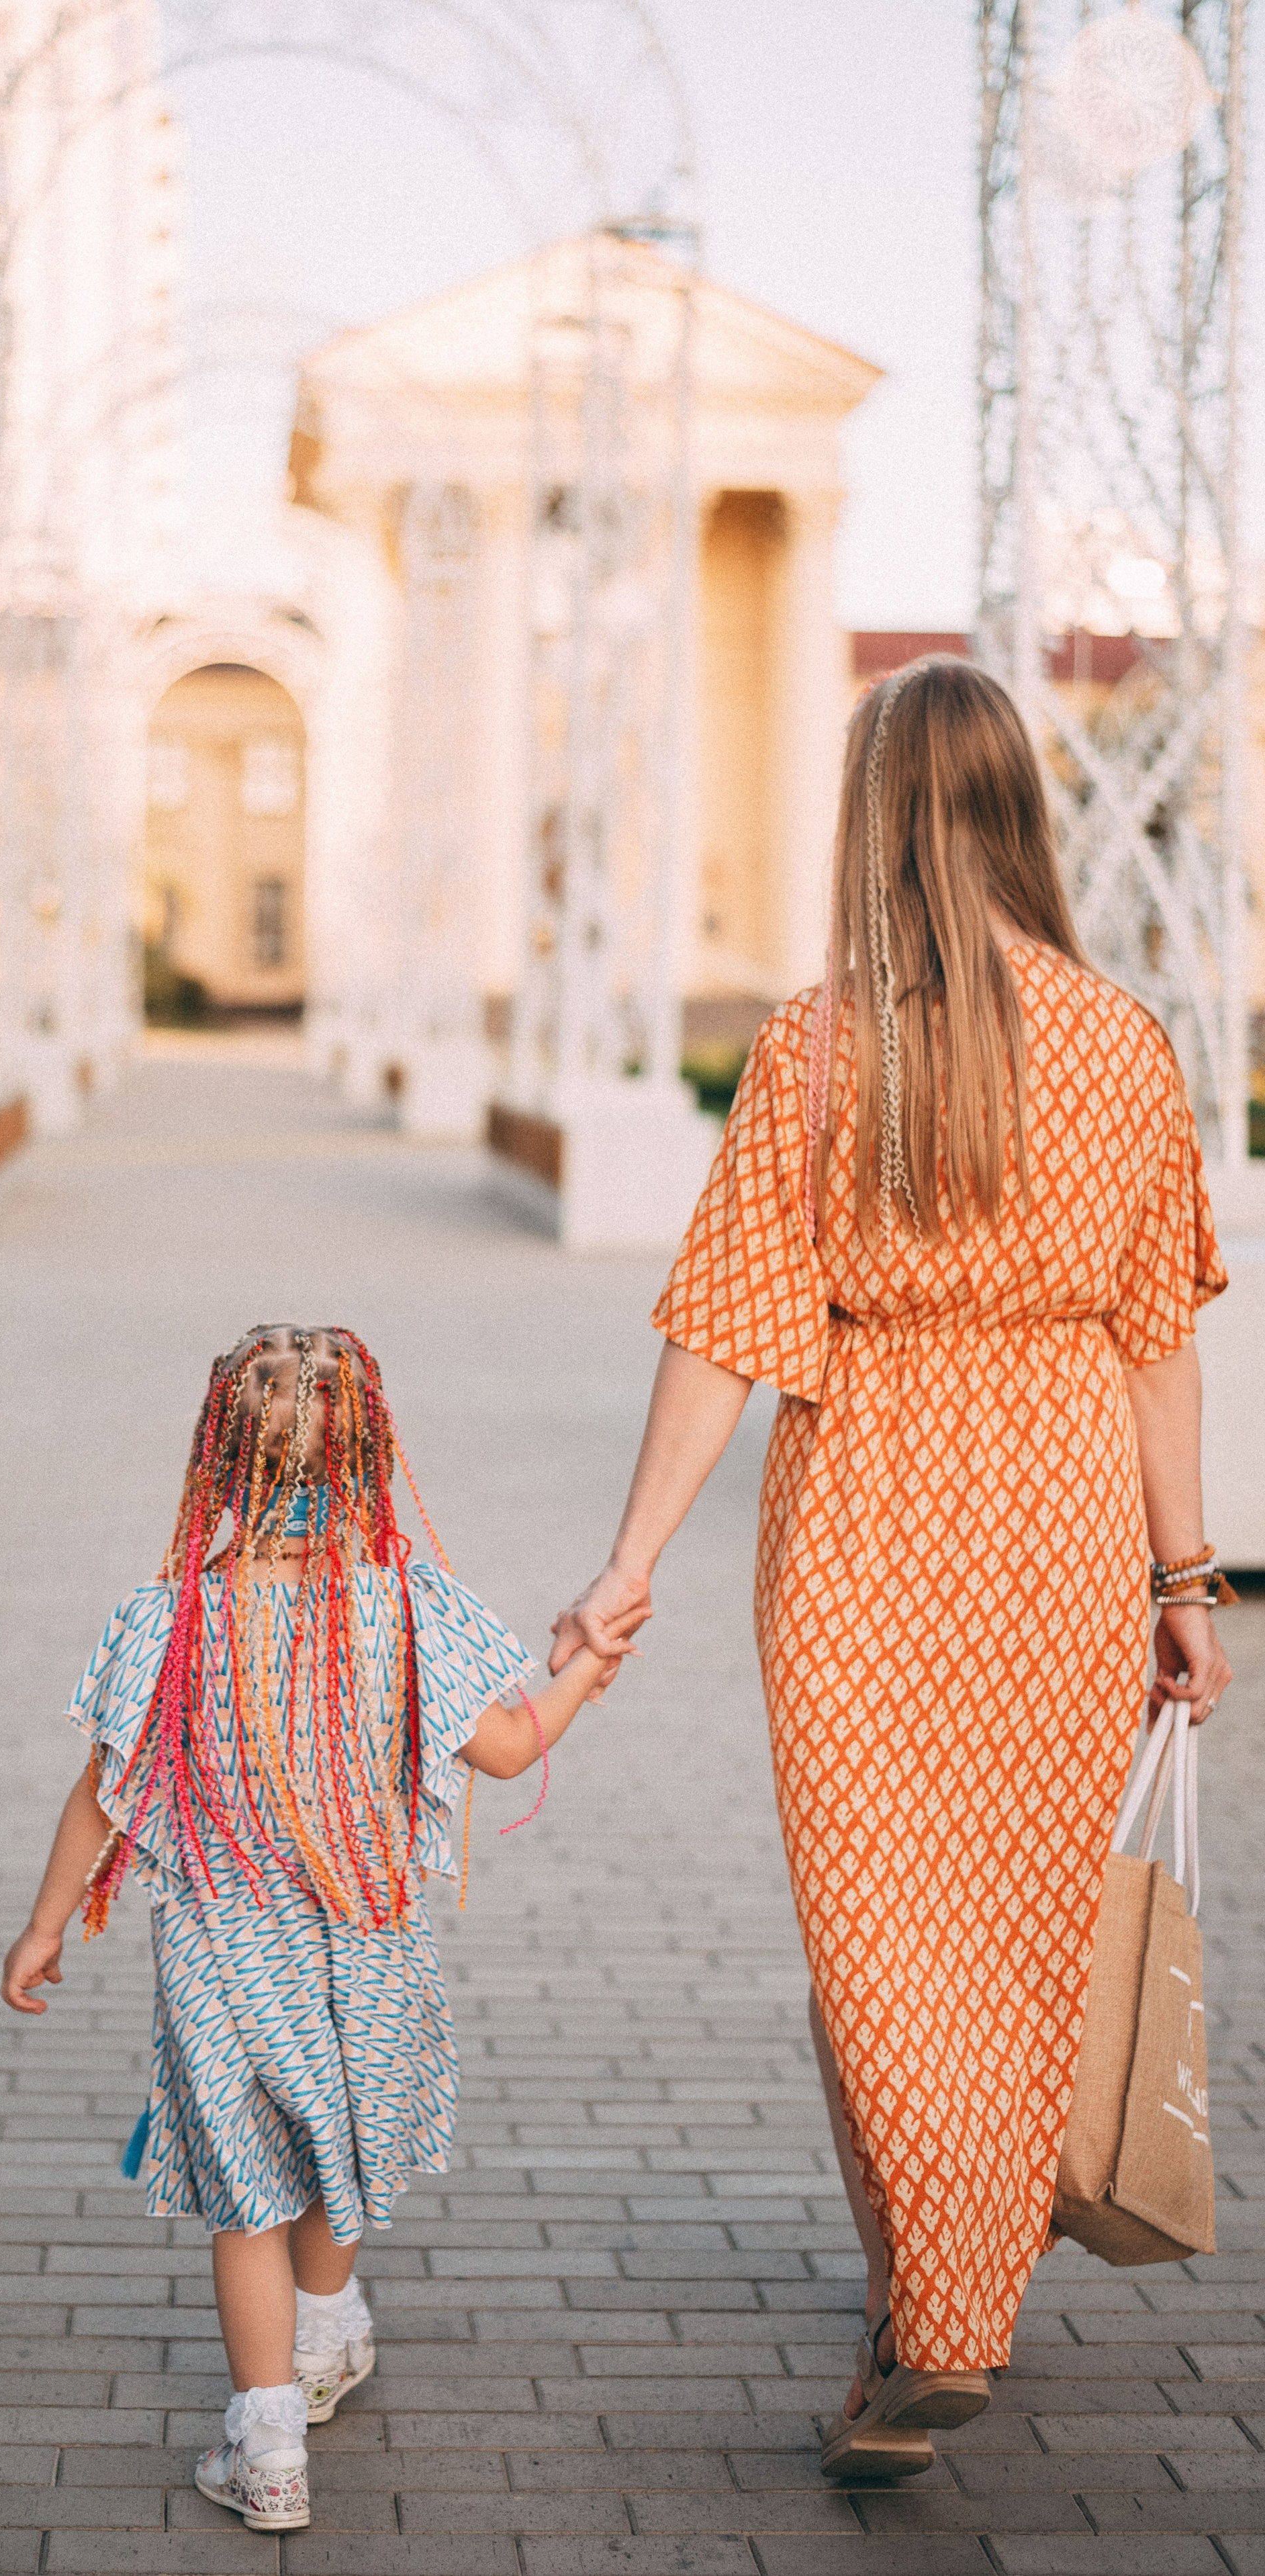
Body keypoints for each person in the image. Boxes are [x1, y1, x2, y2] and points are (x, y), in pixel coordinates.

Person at [550, 657, 1233, 2483]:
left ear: (877, 818)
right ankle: (928, 2292)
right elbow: (1161, 1336)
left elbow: (728, 1327)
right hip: (1065, 1513)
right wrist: (1189, 1577)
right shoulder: (1127, 1041)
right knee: (1005, 1931)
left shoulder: (823, 1041)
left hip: (865, 1509)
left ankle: (932, 2313)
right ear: (1020, 804)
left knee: (877, 1940)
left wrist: (625, 1570)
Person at [1, 1323, 615, 2533]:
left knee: (247, 2201)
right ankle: (329, 2330)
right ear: (374, 1457)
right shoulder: (415, 1610)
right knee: (343, 2149)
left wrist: (45, 1927)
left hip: (220, 1961)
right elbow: (508, 1745)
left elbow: (103, 1788)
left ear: (216, 1470)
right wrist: (584, 1667)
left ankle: (270, 2442)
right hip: (370, 1950)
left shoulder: (169, 1619)